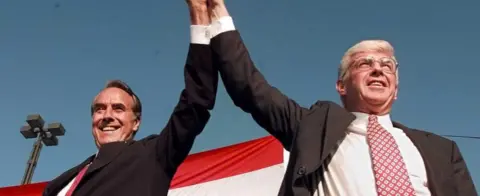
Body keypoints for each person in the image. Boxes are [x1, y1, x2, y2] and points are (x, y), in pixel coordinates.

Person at [190, 0, 478, 195]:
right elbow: (249, 87)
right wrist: (216, 8)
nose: (378, 68)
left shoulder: (442, 150)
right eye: (364, 63)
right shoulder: (313, 127)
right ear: (341, 85)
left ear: (396, 88)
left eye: (387, 66)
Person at [42, 2, 217, 196]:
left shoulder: (152, 154)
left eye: (118, 108)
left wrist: (199, 10)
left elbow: (197, 99)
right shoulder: (60, 184)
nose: (107, 115)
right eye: (99, 109)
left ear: (136, 122)